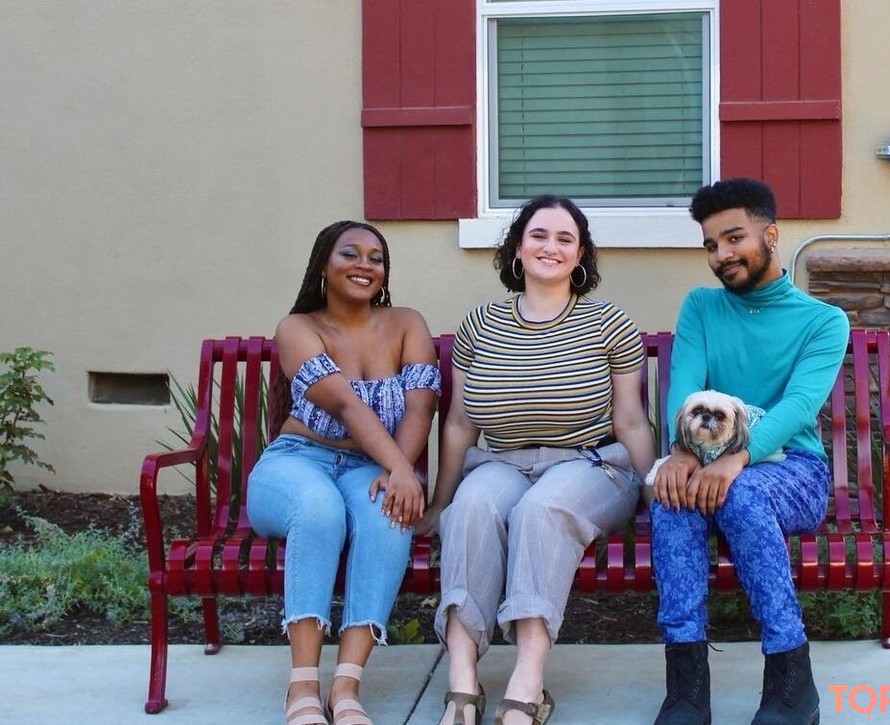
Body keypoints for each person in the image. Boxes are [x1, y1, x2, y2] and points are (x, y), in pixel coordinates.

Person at [416, 195, 655, 725]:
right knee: (470, 510)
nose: (551, 247)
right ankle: (462, 681)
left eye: (566, 238)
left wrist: (653, 496)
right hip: (502, 463)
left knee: (540, 511)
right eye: (539, 235)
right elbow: (459, 424)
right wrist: (440, 502)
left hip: (591, 465)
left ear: (581, 255)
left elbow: (631, 420)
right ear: (517, 248)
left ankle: (527, 681)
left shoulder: (607, 322)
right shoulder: (480, 325)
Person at [648, 178, 850, 725]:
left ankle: (791, 680)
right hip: (706, 460)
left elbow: (800, 406)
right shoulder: (701, 307)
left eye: (734, 238)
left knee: (740, 494)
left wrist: (736, 458)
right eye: (711, 245)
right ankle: (686, 689)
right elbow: (686, 383)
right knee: (671, 496)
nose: (721, 255)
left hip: (792, 469)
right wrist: (682, 451)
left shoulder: (823, 321)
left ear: (771, 235)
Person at [247, 220, 440, 725]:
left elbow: (421, 406)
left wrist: (396, 474)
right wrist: (403, 468)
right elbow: (346, 405)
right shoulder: (298, 328)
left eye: (376, 258)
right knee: (319, 509)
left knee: (389, 516)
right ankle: (302, 686)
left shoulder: (407, 323)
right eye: (349, 254)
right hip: (297, 461)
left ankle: (347, 686)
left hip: (368, 468)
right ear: (323, 266)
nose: (364, 265)